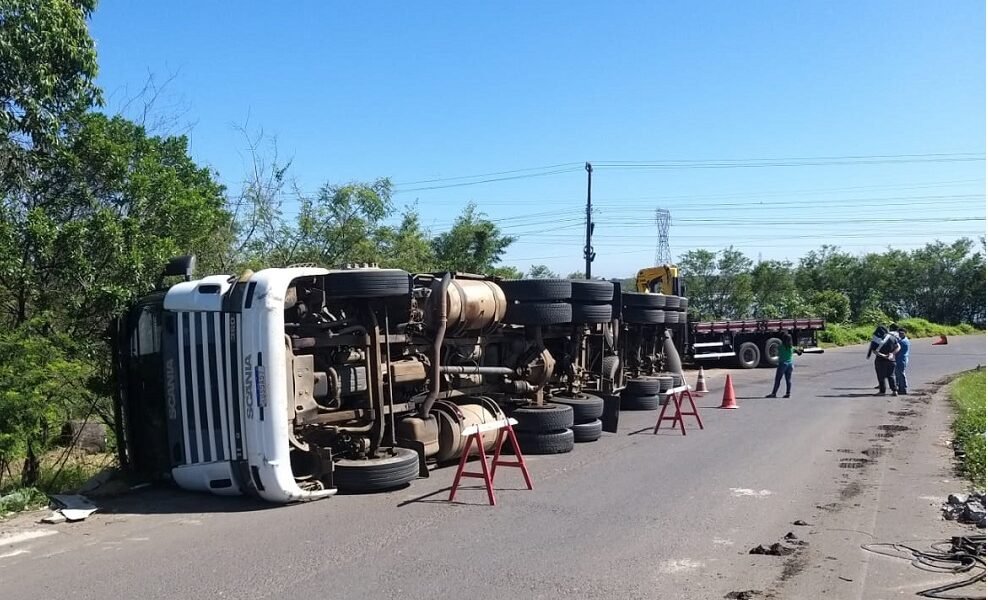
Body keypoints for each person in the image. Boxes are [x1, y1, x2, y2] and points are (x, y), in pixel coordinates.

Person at [766, 332, 801, 398]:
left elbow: (776, 351)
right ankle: (788, 393)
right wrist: (800, 351)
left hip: (783, 364)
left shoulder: (781, 347)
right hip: (790, 364)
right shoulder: (791, 348)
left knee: (778, 379)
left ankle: (774, 393)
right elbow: (799, 353)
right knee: (788, 380)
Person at [867, 326, 899, 396]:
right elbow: (898, 347)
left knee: (881, 376)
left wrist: (883, 355)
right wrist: (892, 354)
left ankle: (882, 391)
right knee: (891, 375)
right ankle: (894, 390)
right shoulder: (892, 337)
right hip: (891, 359)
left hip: (880, 360)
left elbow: (874, 351)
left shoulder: (877, 339)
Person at [895, 327, 910, 395]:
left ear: (905, 333)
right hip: (901, 359)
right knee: (898, 374)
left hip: (901, 359)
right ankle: (901, 387)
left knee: (900, 374)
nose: (900, 334)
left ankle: (903, 388)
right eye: (899, 333)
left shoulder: (902, 342)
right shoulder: (903, 340)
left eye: (902, 333)